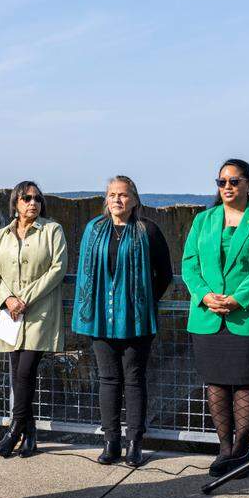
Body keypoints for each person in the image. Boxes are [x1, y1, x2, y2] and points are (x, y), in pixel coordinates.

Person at [182, 159, 249, 478]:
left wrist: (238, 299)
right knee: (216, 382)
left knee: (245, 382)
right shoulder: (203, 220)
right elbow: (189, 264)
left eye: (234, 181)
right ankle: (224, 450)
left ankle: (242, 451)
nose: (227, 186)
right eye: (222, 181)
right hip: (208, 316)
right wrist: (204, 295)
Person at [72, 176, 173, 467]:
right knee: (108, 380)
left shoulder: (148, 231)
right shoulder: (94, 230)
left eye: (123, 195)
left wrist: (142, 302)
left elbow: (164, 274)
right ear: (106, 198)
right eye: (112, 194)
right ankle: (111, 441)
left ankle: (135, 443)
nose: (117, 199)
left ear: (134, 200)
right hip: (101, 319)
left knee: (134, 380)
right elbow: (84, 273)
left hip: (137, 320)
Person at [0, 181, 67, 458]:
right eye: (26, 198)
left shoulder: (52, 230)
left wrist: (25, 298)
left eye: (37, 198)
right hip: (11, 314)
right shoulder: (2, 235)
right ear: (16, 203)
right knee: (18, 373)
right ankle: (30, 435)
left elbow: (57, 269)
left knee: (25, 371)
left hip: (39, 312)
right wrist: (8, 300)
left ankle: (14, 428)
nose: (33, 203)